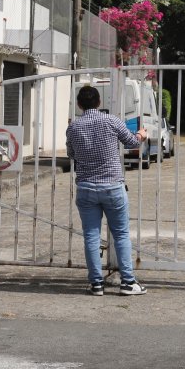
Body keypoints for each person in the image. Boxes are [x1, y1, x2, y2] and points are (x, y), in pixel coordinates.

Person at [65, 84, 147, 296]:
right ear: (99, 102)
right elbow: (131, 142)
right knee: (121, 234)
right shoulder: (111, 121)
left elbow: (71, 154)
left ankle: (96, 284)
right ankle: (128, 282)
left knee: (91, 236)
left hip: (86, 187)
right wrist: (141, 135)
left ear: (79, 104)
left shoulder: (73, 127)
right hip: (112, 186)